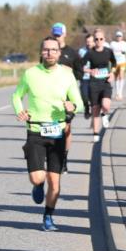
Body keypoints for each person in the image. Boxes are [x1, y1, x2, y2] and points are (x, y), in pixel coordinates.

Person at [12, 36, 84, 232]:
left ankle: (48, 217)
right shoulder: (30, 74)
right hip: (35, 130)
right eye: (46, 50)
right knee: (37, 178)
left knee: (55, 181)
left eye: (53, 50)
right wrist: (20, 110)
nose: (50, 53)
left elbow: (79, 102)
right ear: (41, 52)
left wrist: (73, 106)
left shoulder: (67, 75)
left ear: (59, 53)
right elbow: (17, 95)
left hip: (58, 132)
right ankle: (37, 185)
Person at [53, 22, 81, 169]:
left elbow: (80, 73)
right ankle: (52, 156)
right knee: (50, 126)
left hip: (67, 96)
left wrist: (68, 70)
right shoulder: (48, 52)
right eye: (54, 35)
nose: (57, 37)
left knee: (66, 128)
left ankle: (64, 157)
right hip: (50, 96)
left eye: (59, 34)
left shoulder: (71, 52)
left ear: (64, 34)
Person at [81, 28, 115, 143]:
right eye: (96, 39)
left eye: (101, 39)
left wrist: (111, 73)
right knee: (95, 109)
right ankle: (95, 135)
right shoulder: (90, 53)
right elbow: (81, 66)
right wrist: (90, 71)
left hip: (105, 82)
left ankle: (105, 114)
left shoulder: (108, 51)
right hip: (94, 83)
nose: (99, 41)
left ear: (104, 39)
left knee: (106, 105)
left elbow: (114, 63)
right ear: (94, 40)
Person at [78, 33, 95, 119]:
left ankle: (93, 111)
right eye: (88, 42)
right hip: (84, 77)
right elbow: (79, 66)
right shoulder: (81, 51)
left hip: (94, 79)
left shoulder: (97, 51)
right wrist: (88, 70)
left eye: (91, 41)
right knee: (84, 97)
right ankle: (86, 108)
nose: (89, 43)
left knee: (93, 97)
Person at [110, 30, 126, 100]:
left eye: (120, 36)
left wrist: (120, 52)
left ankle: (120, 93)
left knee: (121, 75)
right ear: (116, 37)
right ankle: (117, 93)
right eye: (117, 36)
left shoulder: (124, 43)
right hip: (115, 62)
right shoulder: (112, 43)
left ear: (122, 37)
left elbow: (124, 52)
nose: (119, 37)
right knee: (116, 77)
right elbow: (110, 52)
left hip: (122, 61)